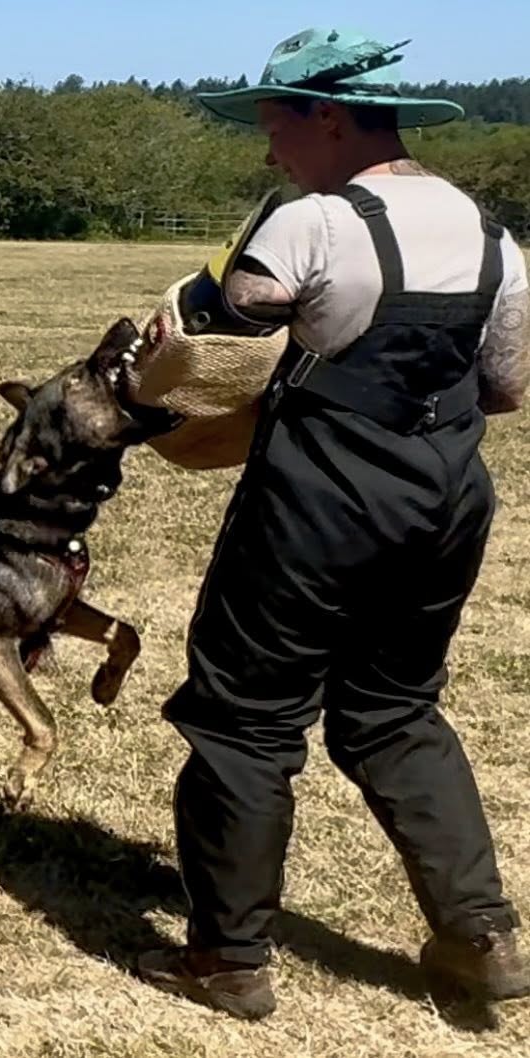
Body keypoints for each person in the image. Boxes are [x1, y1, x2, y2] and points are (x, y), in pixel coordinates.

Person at [131, 28, 530, 1020]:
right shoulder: (491, 236)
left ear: (329, 116)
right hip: (445, 500)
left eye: (277, 127)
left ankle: (228, 957)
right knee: (394, 709)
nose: (271, 152)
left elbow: (231, 319)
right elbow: (508, 387)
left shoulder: (310, 219)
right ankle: (481, 934)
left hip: (319, 498)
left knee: (244, 717)